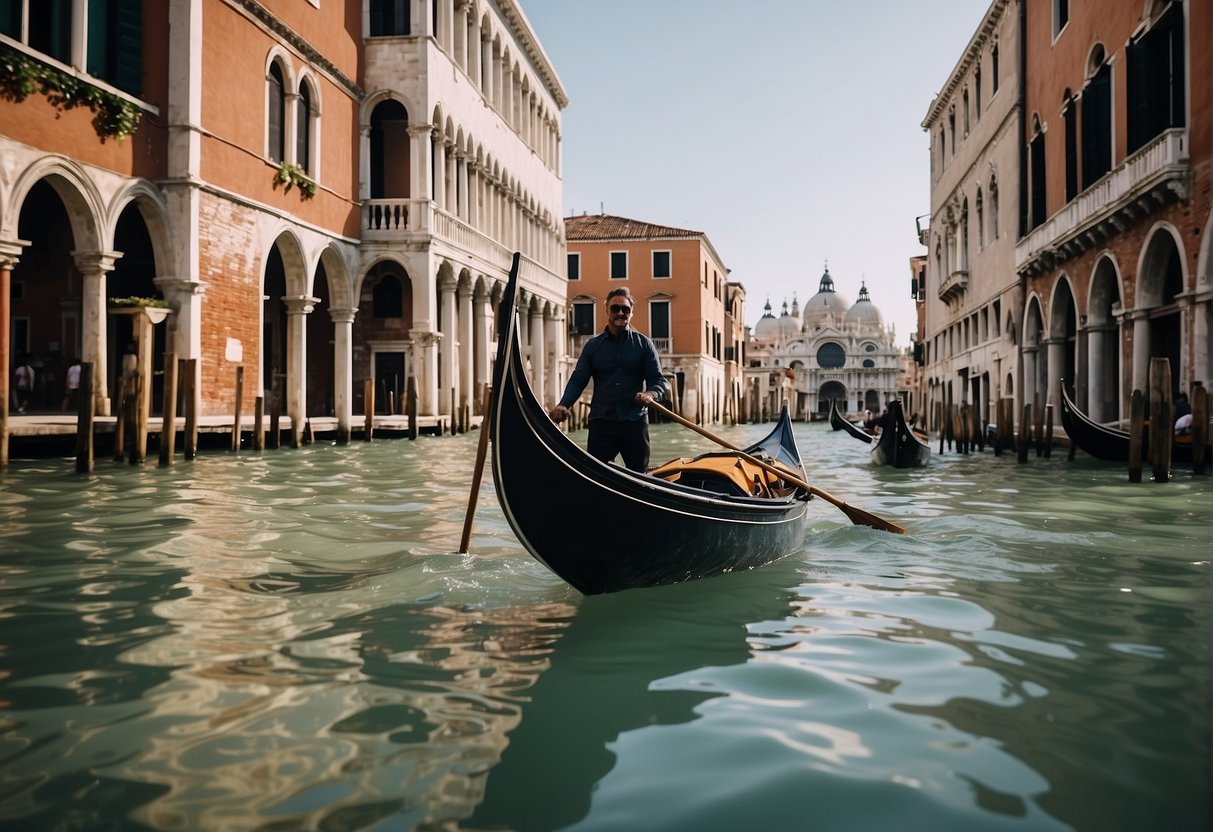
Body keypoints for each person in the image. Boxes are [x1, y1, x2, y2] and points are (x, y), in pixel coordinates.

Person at [548, 287, 670, 472]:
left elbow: (659, 381)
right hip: (602, 424)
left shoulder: (644, 345)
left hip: (634, 424)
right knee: (595, 474)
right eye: (615, 309)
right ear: (607, 311)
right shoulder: (593, 347)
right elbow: (578, 380)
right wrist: (564, 404)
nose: (620, 313)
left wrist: (650, 393)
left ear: (631, 313)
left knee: (639, 476)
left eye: (625, 309)